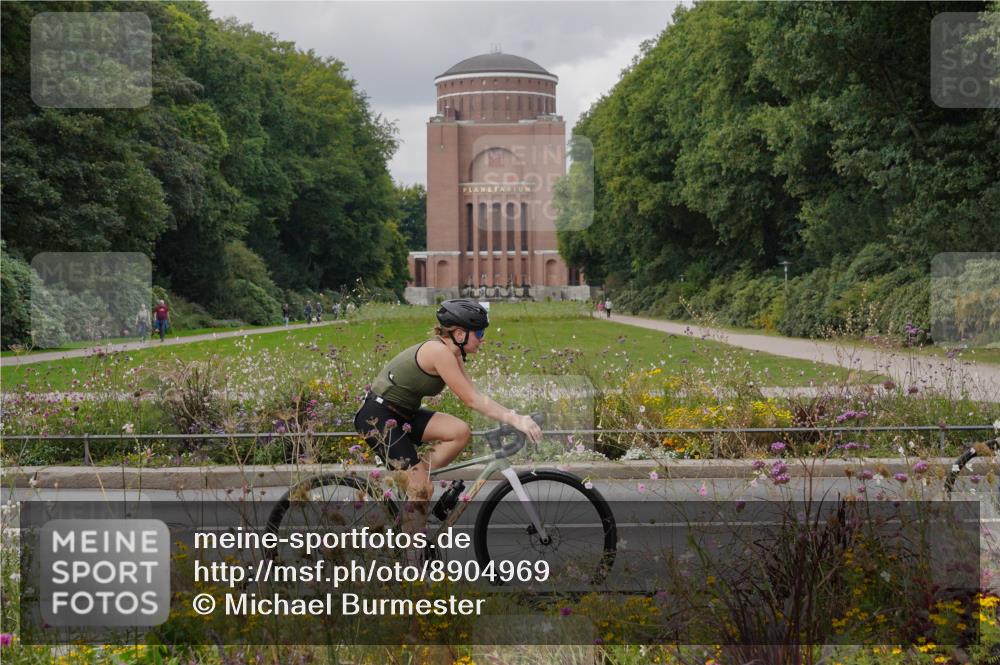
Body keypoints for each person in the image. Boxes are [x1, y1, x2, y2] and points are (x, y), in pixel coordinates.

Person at [353, 299, 543, 535]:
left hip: (403, 414)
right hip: (378, 416)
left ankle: (413, 483)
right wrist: (516, 419)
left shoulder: (454, 353)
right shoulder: (439, 352)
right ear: (460, 334)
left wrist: (512, 415)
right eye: (479, 333)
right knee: (422, 489)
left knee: (459, 432)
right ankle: (412, 553)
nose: (483, 339)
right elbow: (471, 400)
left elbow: (475, 394)